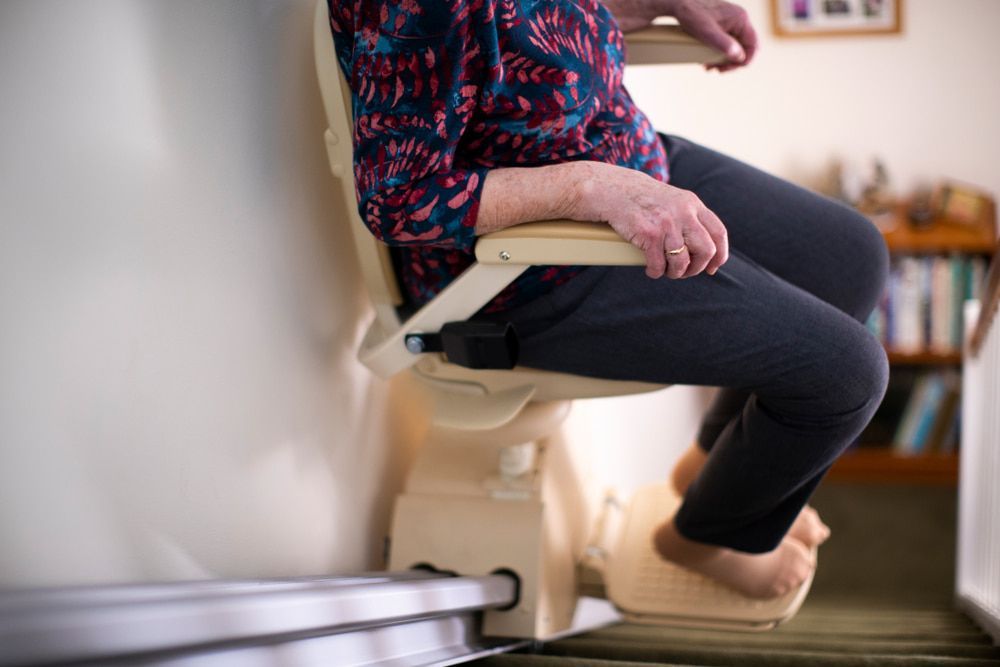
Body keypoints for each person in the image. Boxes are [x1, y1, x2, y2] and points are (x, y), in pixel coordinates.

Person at [327, 0, 889, 599]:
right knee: (846, 375)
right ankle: (701, 537)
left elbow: (514, 36)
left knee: (852, 256)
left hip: (627, 154)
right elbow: (399, 200)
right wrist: (590, 186)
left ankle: (709, 470)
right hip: (533, 264)